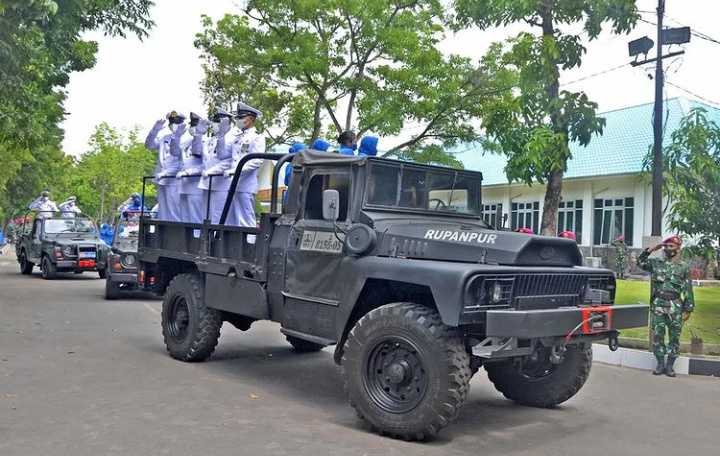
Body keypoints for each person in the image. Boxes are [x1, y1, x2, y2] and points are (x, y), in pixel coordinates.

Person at [637, 235, 695, 377]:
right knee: (658, 335)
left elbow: (688, 288)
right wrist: (650, 250)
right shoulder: (656, 263)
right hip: (658, 305)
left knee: (674, 337)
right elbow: (640, 262)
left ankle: (670, 366)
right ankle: (660, 364)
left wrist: (688, 308)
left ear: (678, 248)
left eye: (671, 246)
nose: (668, 249)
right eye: (666, 246)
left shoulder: (684, 267)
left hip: (675, 306)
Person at [223, 102, 265, 227]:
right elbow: (225, 153)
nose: (238, 120)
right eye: (238, 118)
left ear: (251, 119)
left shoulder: (257, 137)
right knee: (231, 220)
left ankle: (250, 245)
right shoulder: (236, 136)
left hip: (246, 185)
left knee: (246, 220)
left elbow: (256, 161)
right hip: (233, 184)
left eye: (241, 118)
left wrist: (235, 170)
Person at [145, 111, 185, 221]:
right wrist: (155, 130)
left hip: (174, 179)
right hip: (161, 179)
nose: (173, 125)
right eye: (171, 122)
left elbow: (182, 162)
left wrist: (166, 173)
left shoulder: (185, 138)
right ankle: (163, 234)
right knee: (163, 210)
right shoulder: (164, 138)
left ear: (182, 123)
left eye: (176, 122)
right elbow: (148, 145)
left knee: (174, 210)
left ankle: (175, 234)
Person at [199, 109, 235, 224]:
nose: (215, 125)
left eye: (218, 122)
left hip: (221, 184)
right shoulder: (211, 139)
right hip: (206, 183)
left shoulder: (232, 139)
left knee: (218, 216)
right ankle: (204, 239)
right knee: (204, 216)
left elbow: (228, 161)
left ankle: (216, 240)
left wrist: (212, 171)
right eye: (215, 122)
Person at [174, 112, 206, 224]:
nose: (193, 128)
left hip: (196, 187)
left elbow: (205, 166)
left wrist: (189, 172)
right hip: (183, 186)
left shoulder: (205, 143)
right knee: (184, 220)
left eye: (195, 126)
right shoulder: (186, 142)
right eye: (192, 125)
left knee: (196, 219)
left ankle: (197, 241)